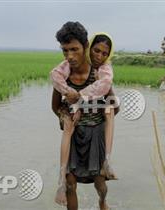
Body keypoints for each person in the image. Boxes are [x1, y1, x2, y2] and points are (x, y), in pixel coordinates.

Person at [51, 31, 118, 206]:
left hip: (96, 132)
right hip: (74, 132)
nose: (70, 56)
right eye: (65, 51)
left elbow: (115, 108)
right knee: (70, 183)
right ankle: (61, 182)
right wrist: (65, 115)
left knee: (100, 183)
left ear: (84, 47)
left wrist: (83, 97)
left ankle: (102, 201)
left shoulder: (100, 73)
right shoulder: (63, 76)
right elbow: (55, 106)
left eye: (74, 50)